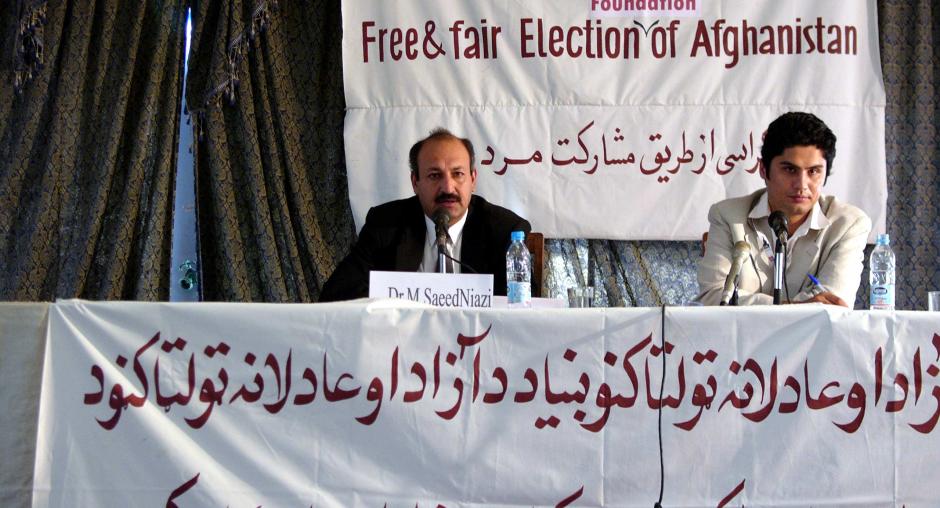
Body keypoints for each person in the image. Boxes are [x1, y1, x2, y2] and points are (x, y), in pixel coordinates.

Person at [319, 128, 531, 302]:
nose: (448, 187)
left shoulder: (504, 231)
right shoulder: (386, 224)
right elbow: (336, 295)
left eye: (458, 174)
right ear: (415, 182)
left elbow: (523, 309)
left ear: (473, 179)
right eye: (434, 175)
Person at [696, 112, 872, 307]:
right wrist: (796, 307)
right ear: (764, 170)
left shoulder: (848, 224)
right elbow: (714, 296)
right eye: (790, 169)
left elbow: (834, 304)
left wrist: (763, 307)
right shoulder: (728, 216)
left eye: (813, 171)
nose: (801, 185)